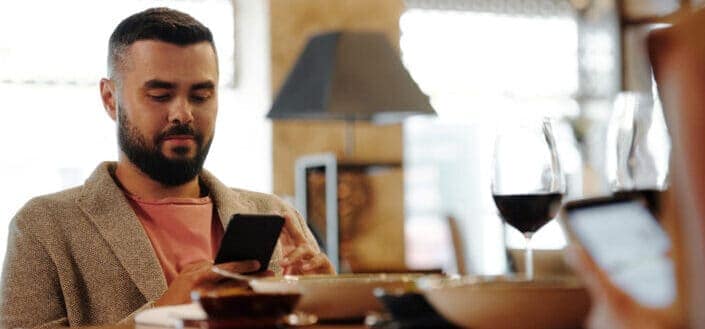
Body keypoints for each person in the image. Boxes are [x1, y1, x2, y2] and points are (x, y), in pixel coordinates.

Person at [0, 7, 334, 328]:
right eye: (160, 95)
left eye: (201, 96)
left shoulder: (274, 214)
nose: (183, 114)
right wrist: (159, 317)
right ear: (109, 98)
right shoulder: (44, 226)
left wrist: (330, 305)